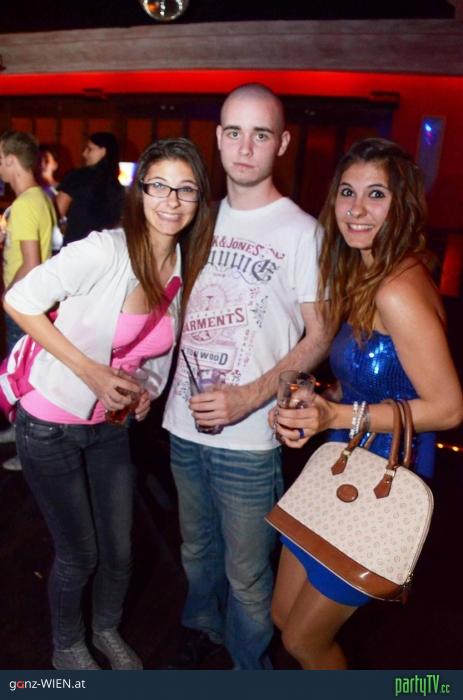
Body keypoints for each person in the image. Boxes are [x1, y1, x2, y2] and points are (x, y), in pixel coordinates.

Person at [3, 137, 213, 671]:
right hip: (50, 422)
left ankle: (105, 629)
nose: (172, 200)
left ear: (199, 199)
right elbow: (19, 300)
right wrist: (90, 371)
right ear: (139, 192)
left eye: (185, 189)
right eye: (159, 185)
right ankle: (67, 646)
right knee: (80, 553)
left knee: (119, 551)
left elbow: (154, 351)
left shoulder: (182, 265)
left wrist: (145, 389)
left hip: (110, 426)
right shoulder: (104, 250)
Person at [270, 137, 463, 670]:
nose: (357, 209)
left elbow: (449, 408)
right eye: (347, 192)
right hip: (341, 457)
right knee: (284, 616)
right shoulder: (363, 270)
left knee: (304, 641)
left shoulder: (396, 288)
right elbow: (372, 380)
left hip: (386, 473)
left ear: (402, 204)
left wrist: (336, 415)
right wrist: (321, 398)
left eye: (376, 194)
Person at [162, 84, 330, 670]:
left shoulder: (302, 231)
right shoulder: (196, 220)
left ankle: (247, 669)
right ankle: (202, 631)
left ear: (281, 143)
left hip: (250, 438)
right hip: (182, 424)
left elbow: (319, 335)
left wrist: (248, 398)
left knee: (248, 574)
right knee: (195, 550)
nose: (245, 146)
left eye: (261, 134)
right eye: (234, 131)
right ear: (218, 137)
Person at [0, 130, 56, 470]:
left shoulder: (23, 204)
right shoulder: (40, 197)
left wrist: (7, 295)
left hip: (23, 303)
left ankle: (27, 450)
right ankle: (17, 427)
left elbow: (31, 262)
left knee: (23, 375)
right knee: (26, 370)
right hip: (37, 301)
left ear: (11, 161)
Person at [55, 131, 125, 244]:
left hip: (77, 246)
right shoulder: (118, 188)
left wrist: (64, 226)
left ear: (103, 151)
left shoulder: (77, 177)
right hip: (106, 248)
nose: (84, 154)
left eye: (90, 149)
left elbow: (57, 212)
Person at [37, 143, 64, 252]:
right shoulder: (33, 191)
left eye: (46, 160)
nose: (43, 164)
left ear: (55, 164)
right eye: (39, 160)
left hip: (59, 244)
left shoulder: (64, 190)